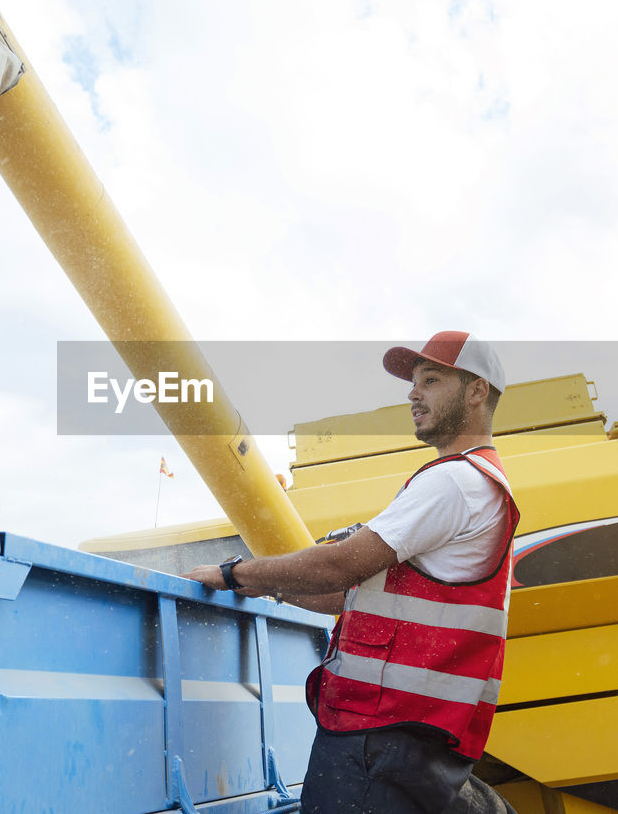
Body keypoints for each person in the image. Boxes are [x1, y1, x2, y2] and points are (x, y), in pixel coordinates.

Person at [182, 331, 520, 814]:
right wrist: (273, 592)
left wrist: (236, 575)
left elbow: (343, 565)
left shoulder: (456, 481)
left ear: (476, 391)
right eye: (413, 381)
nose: (412, 393)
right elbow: (355, 595)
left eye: (431, 379)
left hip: (378, 734)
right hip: (413, 736)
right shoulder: (483, 483)